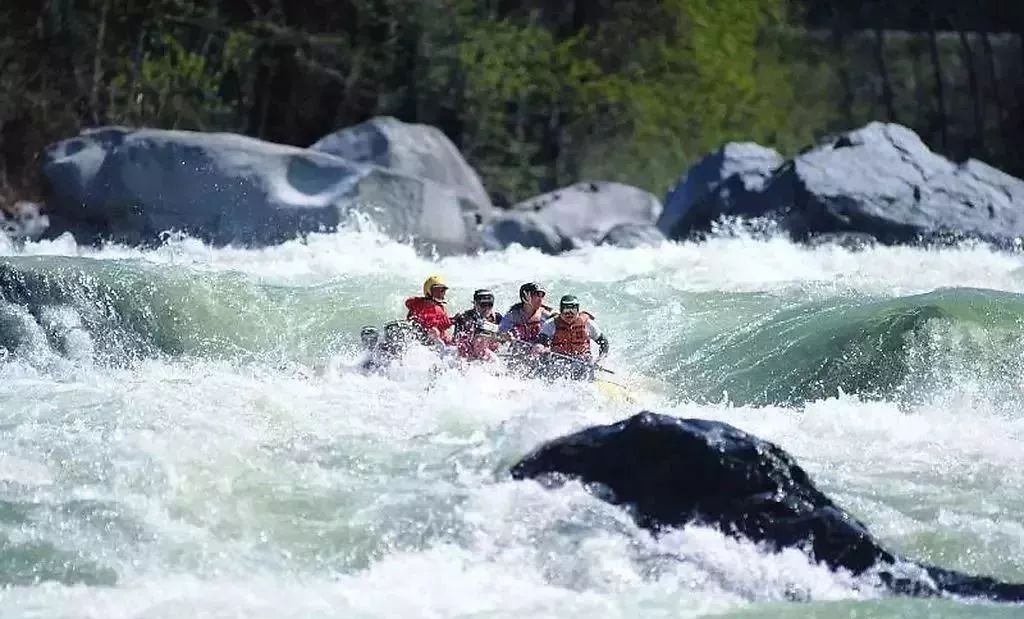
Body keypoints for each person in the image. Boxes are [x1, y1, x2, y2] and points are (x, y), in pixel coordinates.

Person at [534, 294, 609, 380]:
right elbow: (541, 342)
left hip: (583, 364)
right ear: (561, 310)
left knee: (585, 367)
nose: (569, 314)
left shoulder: (588, 324)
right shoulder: (551, 324)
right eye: (566, 310)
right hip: (559, 364)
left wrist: (599, 360)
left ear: (577, 310)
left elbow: (604, 344)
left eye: (573, 310)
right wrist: (540, 348)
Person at [405, 274, 453, 345]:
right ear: (428, 291)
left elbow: (444, 323)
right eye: (438, 290)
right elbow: (432, 327)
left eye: (443, 290)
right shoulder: (427, 306)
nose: (441, 293)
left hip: (426, 339)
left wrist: (453, 320)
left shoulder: (436, 307)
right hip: (428, 341)